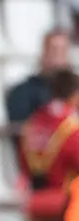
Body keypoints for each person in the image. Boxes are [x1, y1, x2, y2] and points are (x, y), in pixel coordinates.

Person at [20, 68, 79, 221]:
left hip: (36, 192)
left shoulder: (36, 121)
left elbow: (24, 159)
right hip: (63, 197)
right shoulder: (70, 126)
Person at [6, 29, 71, 165]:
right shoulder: (22, 92)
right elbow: (24, 133)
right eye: (53, 50)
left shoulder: (75, 91)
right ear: (43, 52)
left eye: (62, 51)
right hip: (41, 166)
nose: (58, 57)